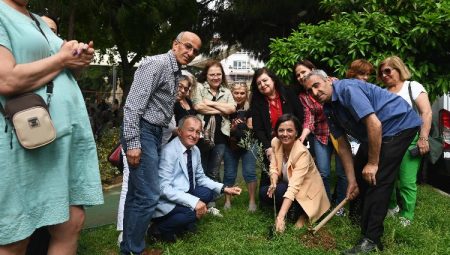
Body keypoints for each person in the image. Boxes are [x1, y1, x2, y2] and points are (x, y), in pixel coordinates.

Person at [0, 1, 103, 254]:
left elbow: (64, 64)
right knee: (16, 237)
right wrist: (61, 59)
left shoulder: (35, 19)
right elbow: (7, 79)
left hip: (60, 140)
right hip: (24, 142)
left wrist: (78, 56)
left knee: (71, 223)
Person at [303, 70, 422, 254]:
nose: (315, 92)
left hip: (399, 124)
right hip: (374, 133)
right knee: (360, 174)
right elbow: (342, 146)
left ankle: (371, 239)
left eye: (316, 85)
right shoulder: (328, 108)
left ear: (327, 80)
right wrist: (352, 181)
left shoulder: (347, 90)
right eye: (310, 91)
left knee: (378, 179)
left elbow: (375, 124)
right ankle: (360, 221)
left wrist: (374, 163)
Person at [121, 31, 201, 254]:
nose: (191, 53)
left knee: (137, 194)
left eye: (195, 51)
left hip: (155, 134)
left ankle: (129, 248)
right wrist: (133, 142)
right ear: (175, 44)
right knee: (148, 195)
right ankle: (135, 250)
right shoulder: (156, 64)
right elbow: (132, 105)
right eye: (187, 46)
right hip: (142, 132)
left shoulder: (176, 71)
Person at [151, 115, 242, 242]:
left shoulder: (195, 150)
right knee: (191, 213)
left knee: (207, 193)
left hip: (185, 191)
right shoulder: (169, 151)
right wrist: (193, 202)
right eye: (190, 130)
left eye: (198, 132)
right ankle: (159, 229)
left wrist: (224, 188)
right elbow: (163, 188)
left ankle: (183, 223)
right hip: (166, 200)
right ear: (180, 131)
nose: (194, 135)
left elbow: (201, 178)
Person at [378, 56, 432, 226]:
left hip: (410, 138)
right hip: (388, 141)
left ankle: (407, 215)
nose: (385, 75)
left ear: (399, 69)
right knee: (388, 177)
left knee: (407, 180)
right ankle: (392, 207)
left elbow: (426, 113)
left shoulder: (412, 86)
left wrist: (423, 138)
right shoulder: (382, 92)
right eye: (382, 72)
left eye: (388, 70)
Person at [293, 60, 347, 216]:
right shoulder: (304, 96)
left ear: (312, 69)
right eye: (298, 75)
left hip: (340, 134)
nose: (301, 76)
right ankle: (326, 204)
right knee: (323, 172)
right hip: (321, 135)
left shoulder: (332, 82)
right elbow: (309, 119)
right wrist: (302, 136)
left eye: (303, 72)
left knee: (342, 172)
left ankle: (340, 206)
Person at [263, 114, 330, 232]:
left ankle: (303, 214)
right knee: (264, 193)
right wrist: (273, 181)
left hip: (306, 191)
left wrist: (280, 217)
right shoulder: (275, 142)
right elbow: (273, 166)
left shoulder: (301, 153)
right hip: (288, 185)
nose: (285, 134)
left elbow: (294, 186)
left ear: (296, 132)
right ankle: (291, 210)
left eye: (289, 130)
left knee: (284, 195)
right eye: (281, 130)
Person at [249, 67, 304, 204]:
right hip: (270, 143)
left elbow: (300, 116)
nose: (262, 85)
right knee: (270, 173)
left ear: (273, 79)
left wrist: (299, 138)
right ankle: (269, 201)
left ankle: (296, 201)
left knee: (293, 173)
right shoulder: (257, 102)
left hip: (293, 140)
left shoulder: (289, 93)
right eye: (259, 83)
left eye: (265, 80)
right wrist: (267, 147)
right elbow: (258, 129)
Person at [192, 61, 236, 183]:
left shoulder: (226, 91)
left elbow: (232, 108)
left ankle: (211, 200)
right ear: (206, 75)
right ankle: (200, 197)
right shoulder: (199, 87)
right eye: (212, 74)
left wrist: (211, 103)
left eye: (218, 74)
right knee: (201, 168)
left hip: (221, 136)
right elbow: (198, 106)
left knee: (214, 170)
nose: (216, 77)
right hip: (201, 135)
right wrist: (222, 110)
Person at [222, 82, 257, 212]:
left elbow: (251, 128)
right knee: (229, 174)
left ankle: (252, 201)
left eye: (242, 93)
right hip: (230, 144)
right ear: (231, 93)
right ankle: (227, 201)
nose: (239, 95)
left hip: (248, 144)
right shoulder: (227, 107)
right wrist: (231, 128)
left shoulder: (250, 108)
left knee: (249, 173)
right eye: (236, 93)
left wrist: (242, 126)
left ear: (246, 94)